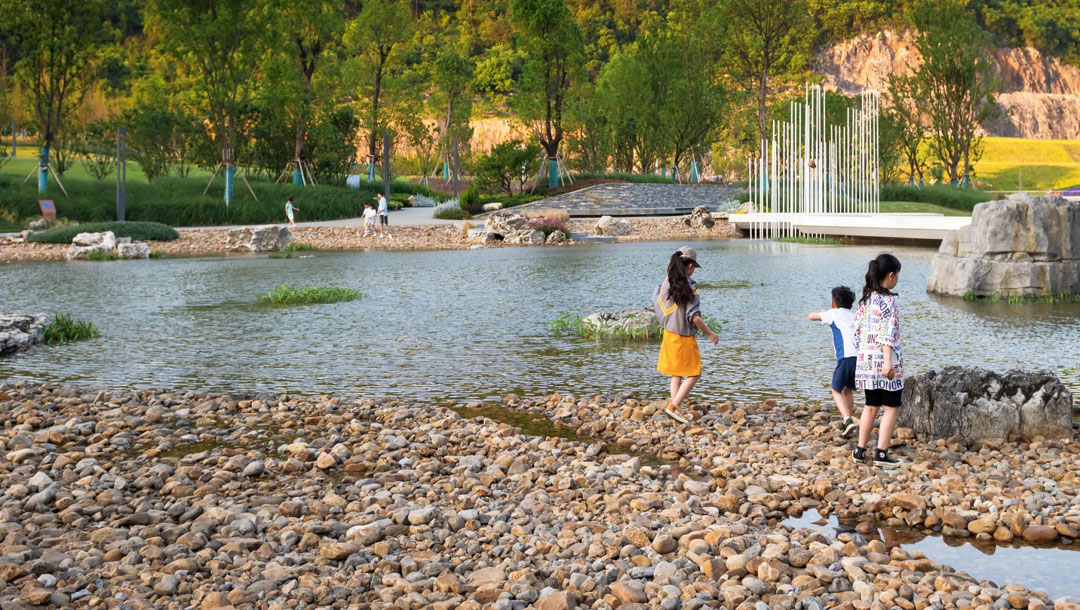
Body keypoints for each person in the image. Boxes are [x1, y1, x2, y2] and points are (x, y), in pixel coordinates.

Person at [654, 245, 720, 424]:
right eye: (693, 267)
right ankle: (674, 406)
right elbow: (695, 318)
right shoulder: (688, 288)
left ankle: (676, 410)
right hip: (683, 336)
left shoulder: (666, 283)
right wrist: (709, 333)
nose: (693, 271)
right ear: (689, 265)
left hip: (668, 334)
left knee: (677, 373)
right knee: (694, 373)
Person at [852, 253, 904, 467]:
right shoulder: (889, 302)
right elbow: (888, 333)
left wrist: (863, 353)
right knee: (891, 407)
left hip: (866, 361)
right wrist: (888, 361)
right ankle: (881, 453)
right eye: (897, 275)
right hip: (885, 361)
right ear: (890, 276)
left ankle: (860, 450)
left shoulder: (865, 300)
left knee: (870, 405)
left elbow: (856, 330)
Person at [808, 286, 858, 438]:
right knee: (848, 389)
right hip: (859, 358)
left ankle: (847, 419)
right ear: (851, 304)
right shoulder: (855, 315)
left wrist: (823, 314)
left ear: (832, 303)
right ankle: (847, 421)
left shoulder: (832, 314)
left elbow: (811, 316)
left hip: (845, 357)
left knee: (836, 390)